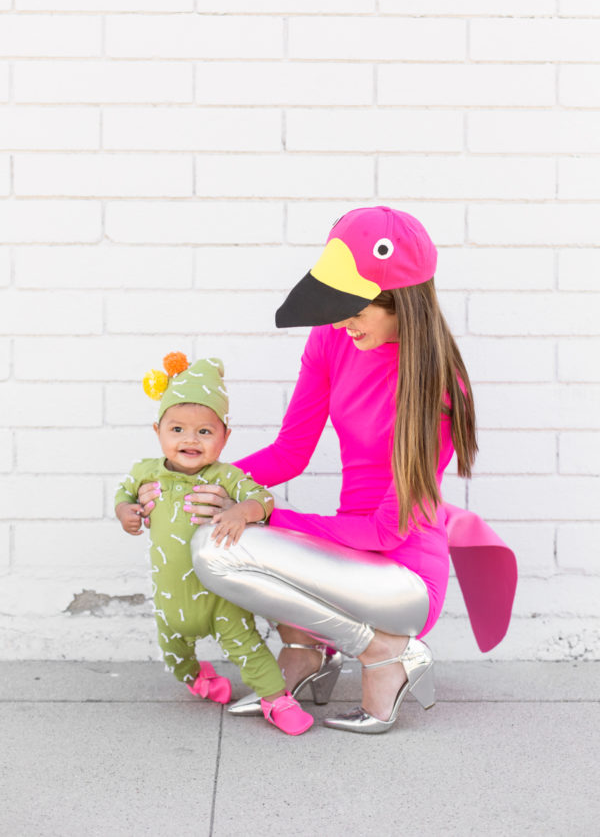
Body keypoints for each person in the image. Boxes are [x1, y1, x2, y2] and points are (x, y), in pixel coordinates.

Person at [138, 206, 517, 735]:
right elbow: (291, 451)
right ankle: (303, 654)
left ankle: (385, 650)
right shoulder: (332, 341)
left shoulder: (438, 387)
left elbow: (387, 530)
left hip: (400, 579)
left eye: (353, 308)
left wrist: (259, 514)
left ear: (400, 301)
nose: (341, 320)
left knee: (216, 549)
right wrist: (189, 488)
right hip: (346, 558)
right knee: (218, 536)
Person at [115, 352, 313, 735]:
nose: (190, 439)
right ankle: (197, 678)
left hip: (221, 595)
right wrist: (126, 512)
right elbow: (122, 497)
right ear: (158, 430)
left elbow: (264, 499)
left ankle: (277, 700)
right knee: (174, 655)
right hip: (172, 599)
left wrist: (242, 511)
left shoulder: (227, 477)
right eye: (177, 430)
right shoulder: (144, 473)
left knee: (249, 647)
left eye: (204, 431)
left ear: (225, 436)